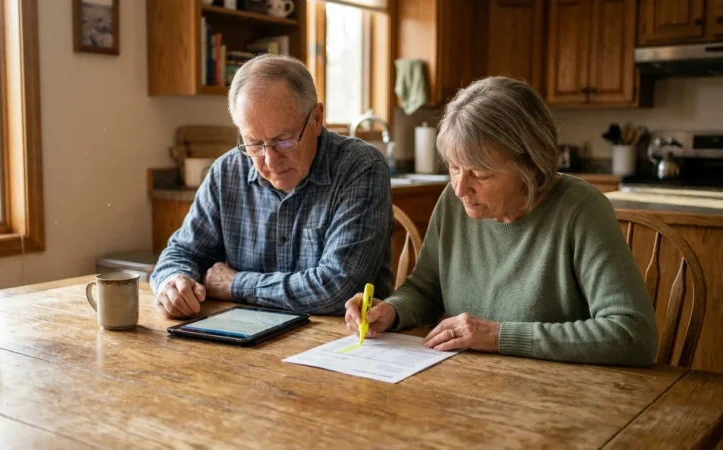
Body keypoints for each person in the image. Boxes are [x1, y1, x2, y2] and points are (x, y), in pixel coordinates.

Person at [344, 76, 659, 366]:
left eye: (480, 174)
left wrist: (498, 336)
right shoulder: (454, 202)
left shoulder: (581, 210)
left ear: (531, 167)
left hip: (556, 394)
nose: (459, 188)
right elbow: (426, 291)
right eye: (454, 167)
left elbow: (633, 334)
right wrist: (391, 310)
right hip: (470, 384)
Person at [151, 54, 394, 319]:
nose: (270, 160)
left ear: (316, 119)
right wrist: (173, 281)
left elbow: (338, 288)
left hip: (339, 343)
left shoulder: (360, 166)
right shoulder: (227, 171)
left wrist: (234, 284)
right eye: (253, 143)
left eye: (284, 140)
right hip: (245, 338)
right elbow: (183, 251)